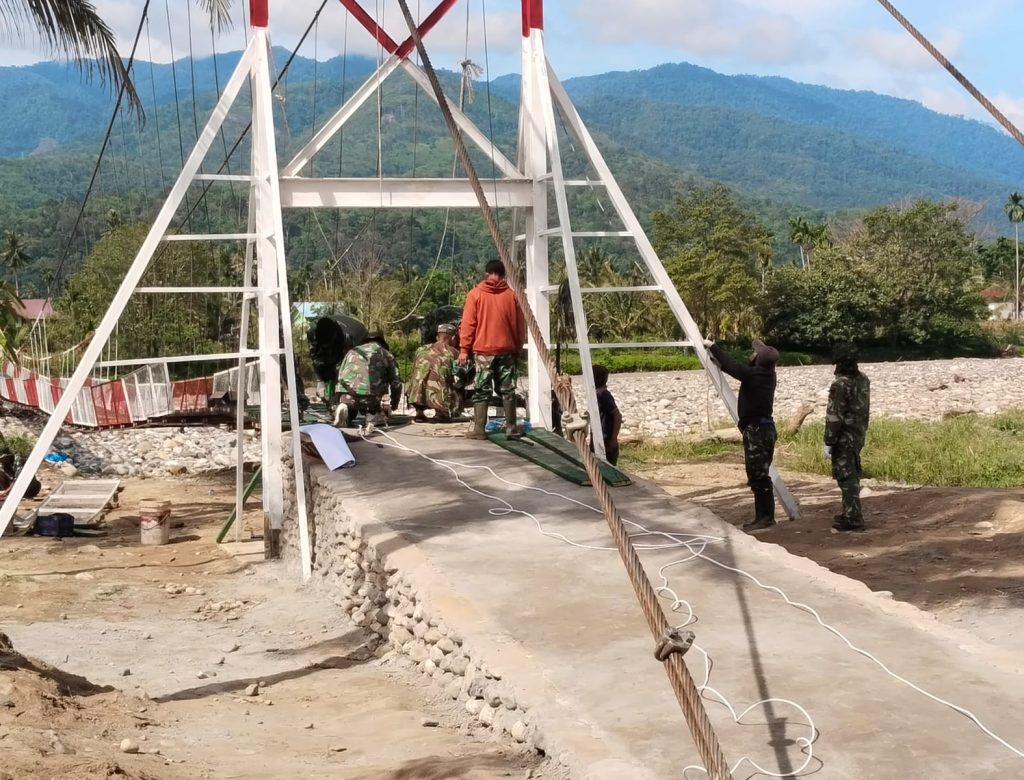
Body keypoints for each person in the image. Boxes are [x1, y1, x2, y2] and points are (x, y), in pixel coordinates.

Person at [705, 338, 780, 531]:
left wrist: (712, 346)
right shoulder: (766, 374)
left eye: (755, 352)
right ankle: (764, 516)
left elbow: (732, 366)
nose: (752, 352)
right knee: (759, 474)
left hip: (758, 431)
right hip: (764, 429)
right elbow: (736, 368)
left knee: (758, 476)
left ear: (758, 360)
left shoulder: (754, 375)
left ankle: (765, 517)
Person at [459, 259, 527, 440]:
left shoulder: (475, 295)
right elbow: (521, 326)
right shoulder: (512, 296)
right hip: (506, 351)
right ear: (503, 275)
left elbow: (468, 324)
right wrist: (518, 347)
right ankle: (511, 427)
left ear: (487, 273)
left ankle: (479, 429)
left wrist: (464, 349)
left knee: (482, 389)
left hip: (483, 352)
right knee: (507, 389)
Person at [825, 342, 871, 532]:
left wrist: (829, 441)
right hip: (858, 433)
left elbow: (834, 416)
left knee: (846, 476)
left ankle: (853, 517)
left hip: (844, 436)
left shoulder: (839, 385)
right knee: (852, 472)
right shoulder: (863, 380)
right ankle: (850, 512)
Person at [333, 332, 402, 428]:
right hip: (370, 398)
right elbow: (396, 383)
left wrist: (337, 397)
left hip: (346, 394)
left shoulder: (352, 351)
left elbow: (339, 375)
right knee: (375, 406)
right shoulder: (386, 354)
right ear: (382, 343)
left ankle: (344, 406)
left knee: (350, 399)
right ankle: (372, 415)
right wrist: (394, 404)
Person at [407, 323, 460, 423]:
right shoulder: (454, 352)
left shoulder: (420, 350)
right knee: (453, 382)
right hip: (439, 399)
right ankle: (441, 413)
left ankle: (419, 413)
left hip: (416, 397)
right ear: (453, 338)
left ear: (437, 337)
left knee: (418, 377)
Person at [593, 364, 622, 465]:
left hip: (606, 441)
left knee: (605, 468)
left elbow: (617, 415)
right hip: (599, 438)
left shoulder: (602, 395)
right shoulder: (597, 394)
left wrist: (613, 439)